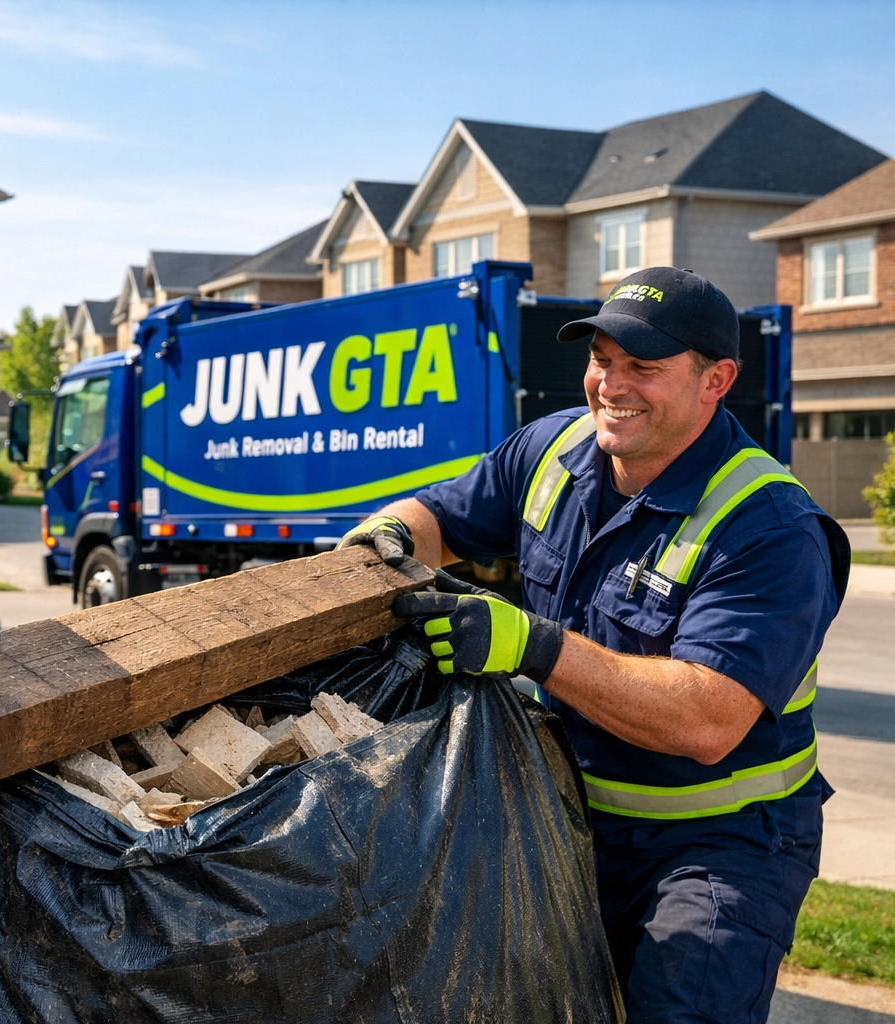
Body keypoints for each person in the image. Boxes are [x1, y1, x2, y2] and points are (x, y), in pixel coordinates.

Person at [343, 266, 848, 1023]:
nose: (611, 385)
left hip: (719, 849)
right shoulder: (556, 449)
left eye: (642, 366)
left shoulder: (768, 526)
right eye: (601, 359)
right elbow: (439, 518)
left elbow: (707, 719)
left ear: (715, 381)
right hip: (573, 823)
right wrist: (388, 533)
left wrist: (534, 647)